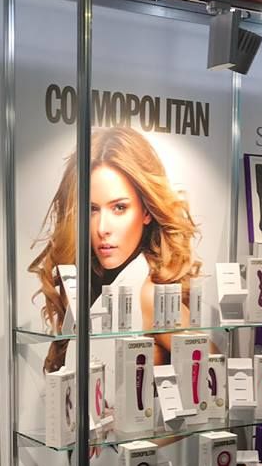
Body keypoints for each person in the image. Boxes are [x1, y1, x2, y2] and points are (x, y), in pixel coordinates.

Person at [29, 126, 200, 372]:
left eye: (119, 208)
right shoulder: (87, 285)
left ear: (146, 211)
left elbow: (213, 372)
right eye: (92, 209)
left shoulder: (149, 297)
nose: (102, 228)